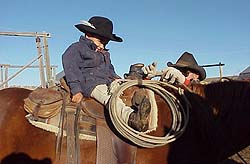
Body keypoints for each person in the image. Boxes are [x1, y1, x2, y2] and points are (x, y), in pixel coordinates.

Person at [62, 16, 151, 132]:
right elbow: (71, 66)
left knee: (129, 88)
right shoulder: (77, 48)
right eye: (101, 42)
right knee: (109, 99)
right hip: (91, 84)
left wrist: (117, 79)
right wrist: (76, 89)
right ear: (88, 35)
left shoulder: (104, 54)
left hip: (107, 82)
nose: (102, 46)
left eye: (105, 43)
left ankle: (141, 105)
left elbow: (110, 70)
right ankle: (130, 118)